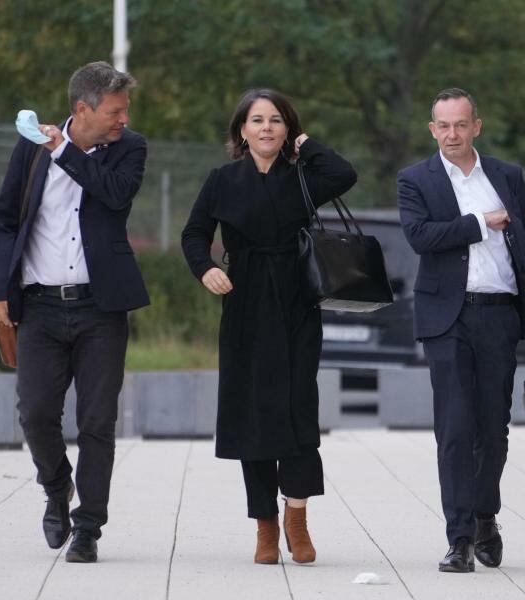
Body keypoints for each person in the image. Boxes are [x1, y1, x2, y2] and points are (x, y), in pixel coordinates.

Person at [181, 89, 356, 565]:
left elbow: (345, 174)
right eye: (256, 120)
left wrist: (306, 143)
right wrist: (205, 268)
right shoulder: (222, 180)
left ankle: (296, 515)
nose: (266, 128)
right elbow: (194, 233)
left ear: (286, 131)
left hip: (297, 300)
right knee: (252, 412)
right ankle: (265, 525)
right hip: (243, 301)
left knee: (298, 405)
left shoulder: (303, 178)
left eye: (276, 121)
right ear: (241, 130)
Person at [0, 61, 149, 563]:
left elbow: (115, 194)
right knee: (35, 414)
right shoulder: (31, 146)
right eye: (115, 111)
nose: (123, 119)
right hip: (37, 306)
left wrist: (66, 151)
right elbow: (5, 222)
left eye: (125, 110)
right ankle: (57, 488)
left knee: (97, 421)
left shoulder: (130, 148)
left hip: (101, 308)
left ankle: (88, 528)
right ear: (83, 108)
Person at [397, 88, 525, 573]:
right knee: (454, 428)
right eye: (442, 125)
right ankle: (459, 537)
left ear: (476, 127)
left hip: (499, 316)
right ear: (431, 129)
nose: (451, 134)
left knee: (493, 429)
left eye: (460, 125)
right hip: (446, 319)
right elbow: (421, 237)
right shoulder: (416, 179)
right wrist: (479, 223)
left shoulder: (506, 176)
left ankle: (486, 516)